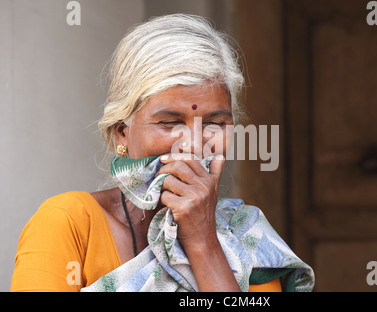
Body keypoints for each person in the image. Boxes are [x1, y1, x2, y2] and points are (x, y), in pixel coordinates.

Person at [11, 14, 314, 292]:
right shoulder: (71, 224)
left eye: (214, 123)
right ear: (122, 132)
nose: (193, 145)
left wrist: (203, 241)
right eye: (170, 122)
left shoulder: (246, 239)